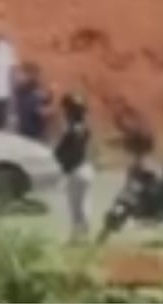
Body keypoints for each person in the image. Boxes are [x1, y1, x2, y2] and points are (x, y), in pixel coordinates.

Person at [54, 94, 93, 240]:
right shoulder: (85, 129)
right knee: (83, 203)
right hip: (86, 169)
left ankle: (77, 236)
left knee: (75, 206)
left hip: (75, 171)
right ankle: (84, 233)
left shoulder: (70, 132)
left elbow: (60, 152)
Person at [14, 62, 52, 141]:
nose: (17, 77)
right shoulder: (30, 94)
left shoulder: (26, 92)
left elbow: (43, 104)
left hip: (26, 133)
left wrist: (49, 96)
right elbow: (43, 112)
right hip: (30, 135)